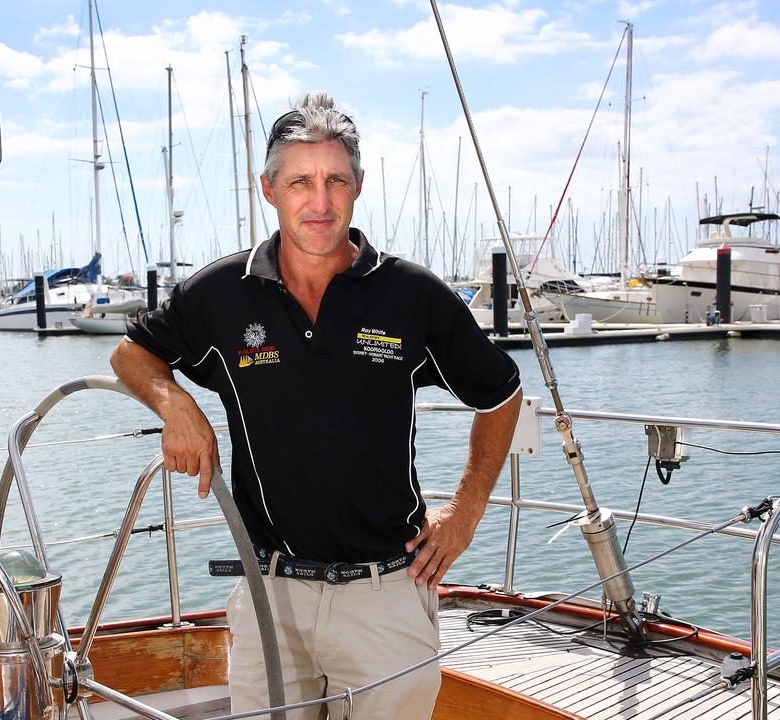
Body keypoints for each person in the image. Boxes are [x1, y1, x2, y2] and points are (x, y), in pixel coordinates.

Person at [111, 90, 522, 719]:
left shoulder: (411, 295)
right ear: (269, 189)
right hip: (268, 592)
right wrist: (175, 404)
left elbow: (501, 393)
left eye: (335, 180)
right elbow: (131, 354)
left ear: (359, 185)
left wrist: (465, 512)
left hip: (386, 591)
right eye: (300, 182)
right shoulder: (222, 294)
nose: (320, 201)